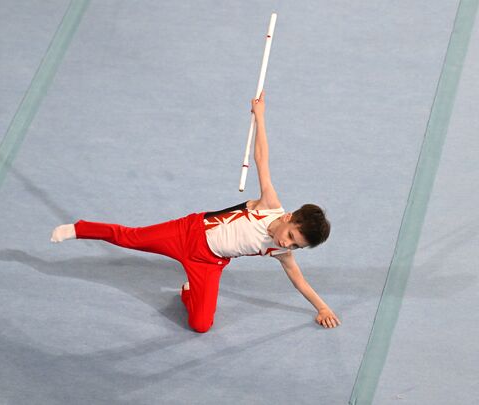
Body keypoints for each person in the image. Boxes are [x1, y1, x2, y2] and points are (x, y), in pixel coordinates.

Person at [51, 90, 341, 333]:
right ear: (289, 217)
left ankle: (188, 290)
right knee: (130, 238)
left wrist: (323, 307)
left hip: (208, 263)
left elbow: (298, 279)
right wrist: (260, 116)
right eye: (290, 236)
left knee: (201, 325)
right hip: (187, 233)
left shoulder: (280, 252)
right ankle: (80, 228)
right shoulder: (268, 205)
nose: (286, 244)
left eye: (295, 246)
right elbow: (262, 158)